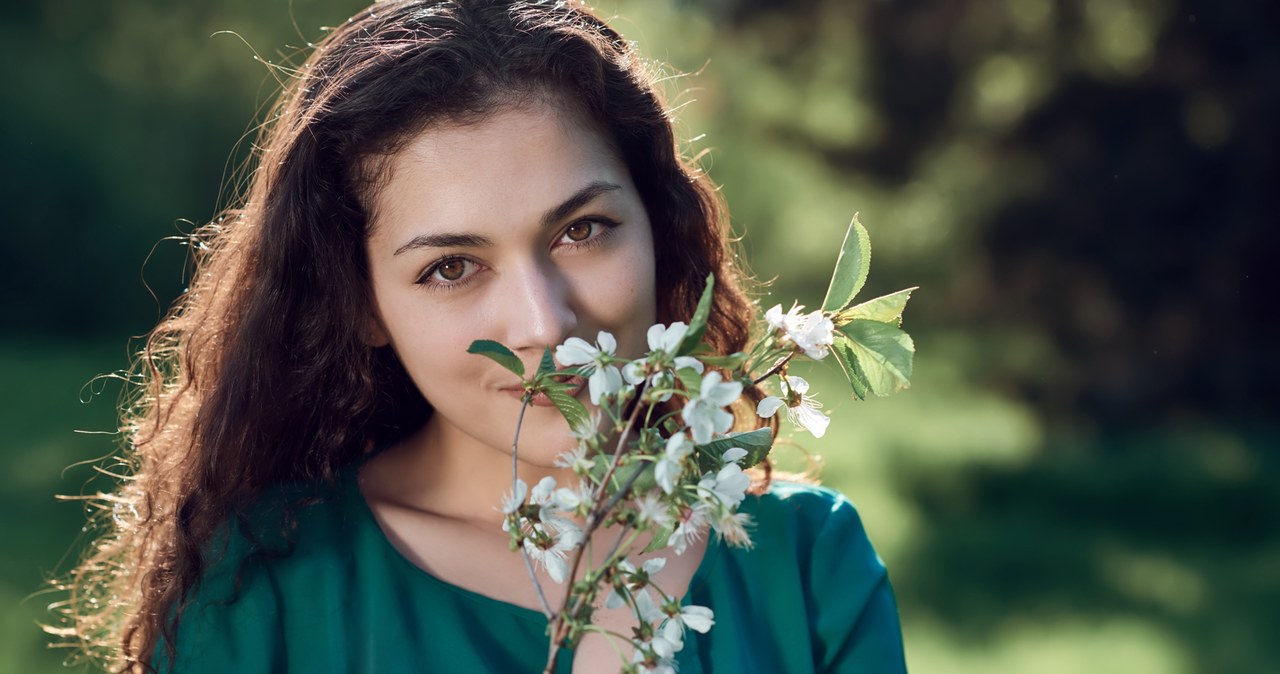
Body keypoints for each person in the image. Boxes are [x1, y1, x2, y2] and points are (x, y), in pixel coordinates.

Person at [53, 1, 907, 672]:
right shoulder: (263, 589)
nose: (544, 324)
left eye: (584, 230)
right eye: (451, 269)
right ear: (362, 305)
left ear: (660, 222)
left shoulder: (805, 565)